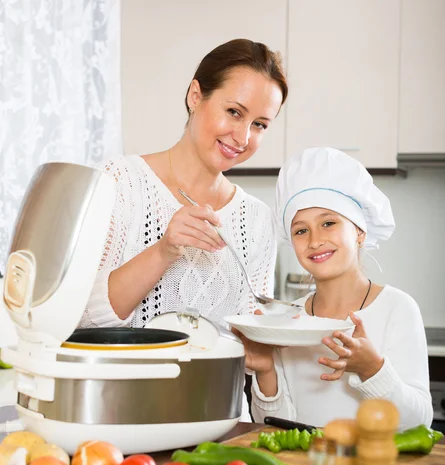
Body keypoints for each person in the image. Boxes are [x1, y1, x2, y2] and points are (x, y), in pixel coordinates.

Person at [79, 39, 288, 421]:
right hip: (122, 418)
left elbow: (252, 348)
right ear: (196, 95)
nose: (242, 138)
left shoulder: (257, 220)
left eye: (259, 124)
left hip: (219, 419)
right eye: (233, 112)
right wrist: (164, 250)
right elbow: (83, 323)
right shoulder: (120, 182)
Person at [241, 147, 433, 430]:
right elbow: (277, 425)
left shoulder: (398, 309)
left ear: (359, 231)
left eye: (328, 223)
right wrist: (266, 368)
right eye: (301, 230)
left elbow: (419, 422)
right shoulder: (287, 321)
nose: (315, 241)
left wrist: (372, 369)